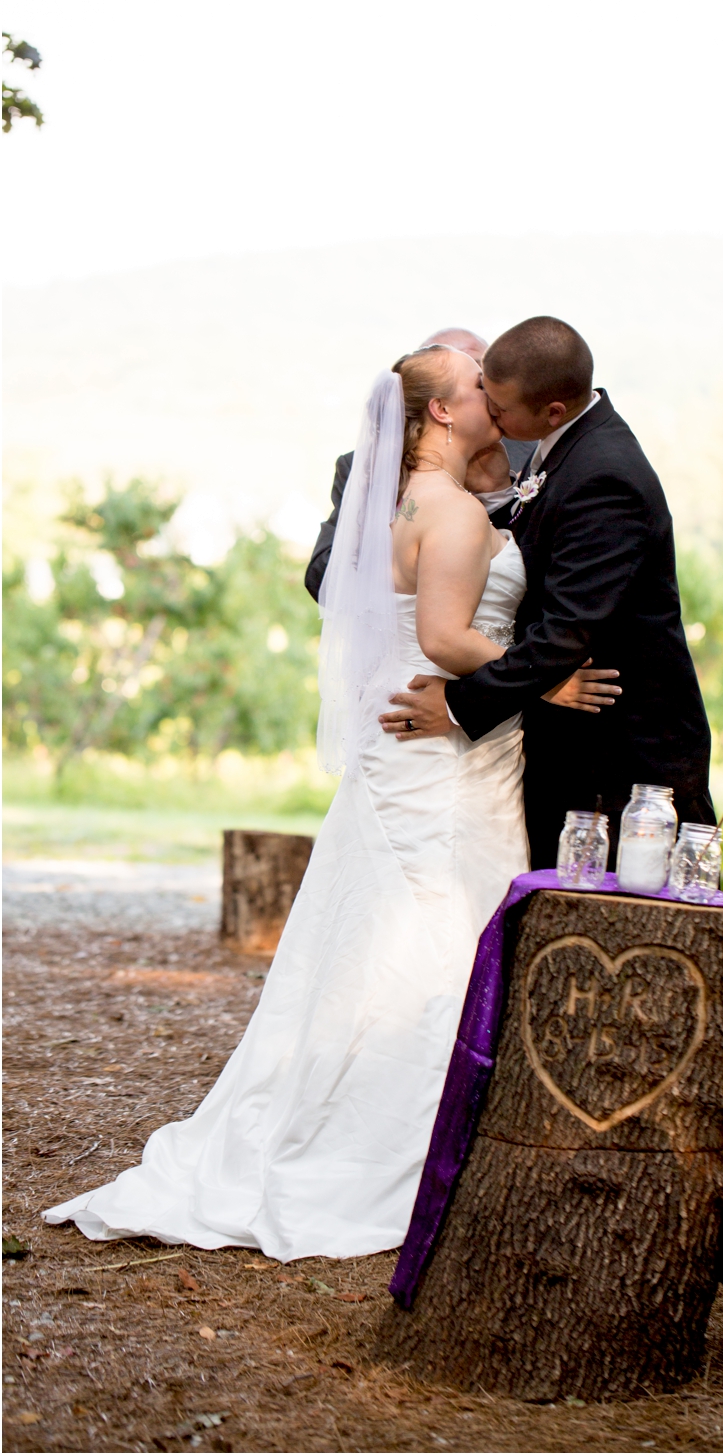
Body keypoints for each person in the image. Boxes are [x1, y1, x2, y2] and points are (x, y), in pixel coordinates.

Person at [42, 347, 612, 1262]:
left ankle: (362, 1122)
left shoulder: (404, 505)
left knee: (365, 950)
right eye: (475, 388)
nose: (491, 397)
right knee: (442, 942)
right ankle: (407, 1150)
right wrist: (545, 686)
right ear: (438, 414)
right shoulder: (458, 513)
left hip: (407, 759)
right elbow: (444, 637)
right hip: (448, 761)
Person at [379, 316, 714, 868]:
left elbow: (566, 631)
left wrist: (459, 704)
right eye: (481, 389)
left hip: (618, 754)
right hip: (557, 742)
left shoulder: (606, 475)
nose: (489, 407)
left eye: (499, 403)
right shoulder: (556, 449)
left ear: (551, 411)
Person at [304, 327, 535, 601]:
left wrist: (497, 494)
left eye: (485, 378)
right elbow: (323, 572)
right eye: (476, 383)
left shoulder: (530, 451)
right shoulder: (369, 465)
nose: (487, 394)